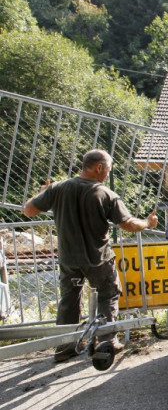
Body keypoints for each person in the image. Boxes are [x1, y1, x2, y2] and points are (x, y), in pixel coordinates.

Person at [23, 149, 158, 362]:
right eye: (108, 170)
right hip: (98, 260)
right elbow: (128, 224)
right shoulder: (105, 194)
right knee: (108, 294)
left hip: (69, 260)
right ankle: (107, 341)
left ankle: (65, 347)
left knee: (69, 300)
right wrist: (147, 223)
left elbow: (28, 210)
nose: (107, 174)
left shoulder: (58, 189)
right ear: (98, 168)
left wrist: (43, 191)